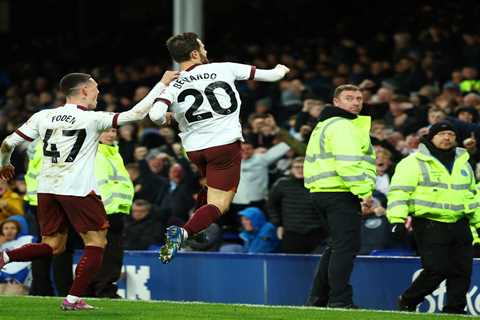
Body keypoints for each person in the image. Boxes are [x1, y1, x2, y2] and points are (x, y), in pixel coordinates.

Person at [0, 70, 178, 310]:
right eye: (95, 88)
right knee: (96, 243)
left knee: (53, 245)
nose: (98, 92)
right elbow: (137, 113)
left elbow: (8, 143)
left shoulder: (43, 116)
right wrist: (163, 83)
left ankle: (6, 257)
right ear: (84, 90)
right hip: (77, 189)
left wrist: (5, 165)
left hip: (45, 190)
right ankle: (72, 299)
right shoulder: (93, 119)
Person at [148, 32, 290, 263]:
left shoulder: (173, 83)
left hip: (194, 150)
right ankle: (183, 233)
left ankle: (197, 229)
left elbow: (154, 115)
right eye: (202, 47)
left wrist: (168, 119)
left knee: (209, 188)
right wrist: (282, 69)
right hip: (223, 145)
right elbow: (272, 76)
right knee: (220, 204)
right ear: (194, 53)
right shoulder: (225, 68)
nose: (205, 51)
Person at [387, 121, 480, 314]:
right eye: (442, 134)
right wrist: (397, 219)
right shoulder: (413, 162)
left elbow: (471, 195)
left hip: (460, 222)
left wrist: (478, 222)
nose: (447, 138)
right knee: (437, 268)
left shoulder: (464, 162)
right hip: (430, 222)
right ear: (431, 137)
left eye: (451, 135)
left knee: (462, 271)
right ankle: (408, 299)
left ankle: (454, 310)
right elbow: (399, 192)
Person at [304, 84, 376, 308]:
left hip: (322, 191)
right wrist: (364, 192)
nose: (355, 102)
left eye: (358, 98)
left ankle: (318, 299)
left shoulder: (325, 124)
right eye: (349, 98)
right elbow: (348, 164)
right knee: (345, 247)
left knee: (336, 246)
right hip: (340, 192)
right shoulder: (344, 126)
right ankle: (340, 301)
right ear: (336, 102)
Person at [87, 127, 134, 298]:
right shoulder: (96, 153)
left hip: (114, 210)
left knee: (106, 253)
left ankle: (95, 288)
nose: (111, 134)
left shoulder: (113, 152)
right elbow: (100, 185)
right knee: (109, 254)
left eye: (113, 131)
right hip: (105, 211)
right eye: (106, 131)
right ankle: (104, 289)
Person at [268, 157, 326, 254]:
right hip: (291, 232)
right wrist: (278, 224)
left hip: (316, 231)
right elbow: (271, 205)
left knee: (317, 265)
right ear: (291, 169)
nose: (300, 170)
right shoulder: (282, 184)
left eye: (303, 167)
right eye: (296, 167)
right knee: (291, 265)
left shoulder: (318, 184)